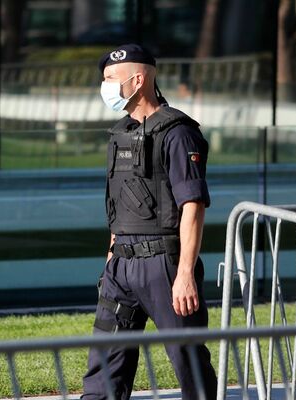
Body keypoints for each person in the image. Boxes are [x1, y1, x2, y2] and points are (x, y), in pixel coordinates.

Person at [81, 44, 217, 399]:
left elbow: (193, 204)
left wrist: (185, 273)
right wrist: (111, 257)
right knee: (104, 368)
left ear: (138, 80)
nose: (105, 86)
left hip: (164, 265)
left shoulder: (178, 132)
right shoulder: (121, 133)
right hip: (121, 265)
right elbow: (119, 202)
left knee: (188, 363)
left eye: (111, 78)